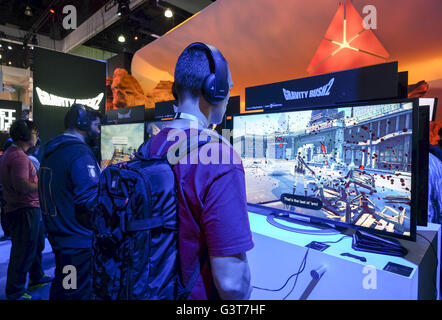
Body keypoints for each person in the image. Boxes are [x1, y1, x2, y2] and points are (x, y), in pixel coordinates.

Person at [148, 43, 254, 300]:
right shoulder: (220, 158)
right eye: (227, 88)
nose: (228, 97)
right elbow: (231, 284)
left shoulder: (151, 145)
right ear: (213, 90)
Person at [39, 104, 102, 300]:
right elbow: (89, 200)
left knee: (65, 286)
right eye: (97, 125)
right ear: (82, 123)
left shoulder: (50, 150)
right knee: (75, 291)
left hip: (60, 238)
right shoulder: (79, 153)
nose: (99, 131)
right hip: (77, 244)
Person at [0, 120, 51, 300]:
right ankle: (15, 292)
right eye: (35, 133)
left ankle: (36, 276)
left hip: (24, 209)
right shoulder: (19, 157)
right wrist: (41, 184)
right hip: (24, 210)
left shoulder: (12, 153)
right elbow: (21, 186)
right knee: (22, 252)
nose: (37, 137)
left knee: (34, 245)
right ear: (26, 136)